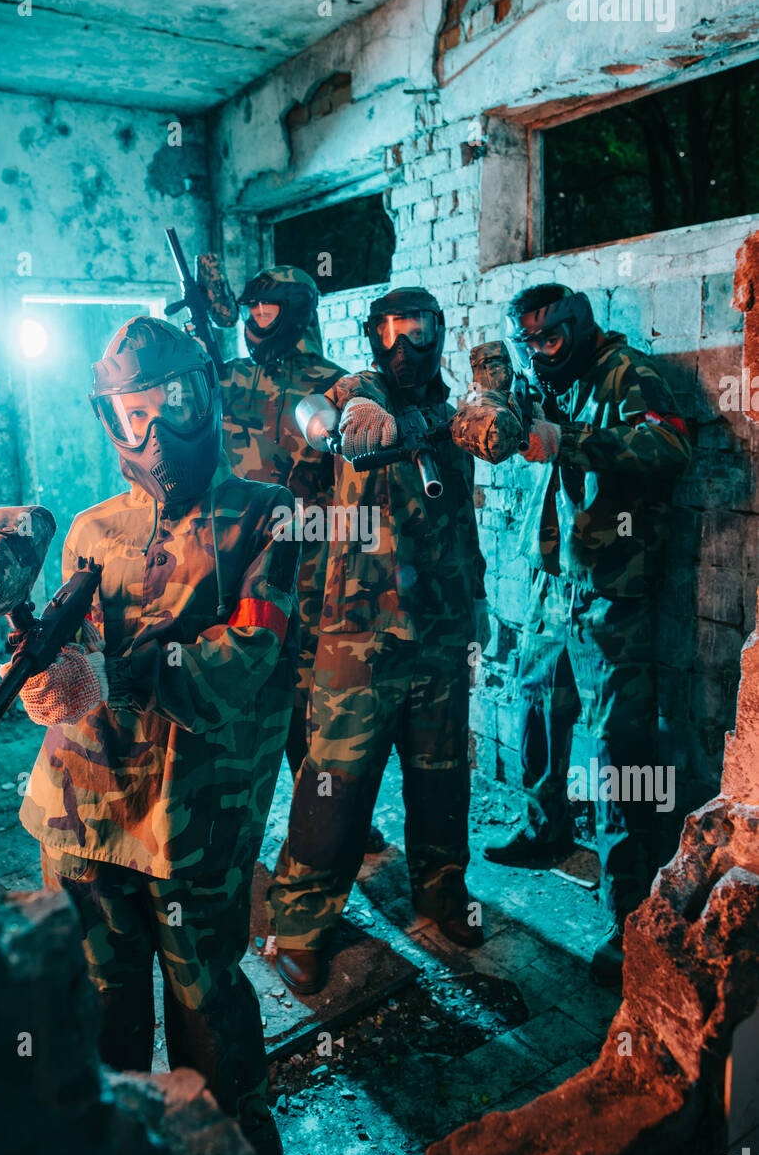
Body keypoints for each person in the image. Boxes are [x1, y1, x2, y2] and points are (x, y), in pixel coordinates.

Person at [11, 316, 300, 1155]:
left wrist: (120, 672)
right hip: (78, 812)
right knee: (100, 1011)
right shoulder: (93, 529)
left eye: (169, 405)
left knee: (206, 1001)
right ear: (108, 421)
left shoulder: (266, 513)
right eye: (129, 415)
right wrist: (49, 676)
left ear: (203, 396)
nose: (151, 433)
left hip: (194, 819)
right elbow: (75, 660)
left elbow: (247, 657)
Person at [451, 284, 692, 985]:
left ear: (578, 328)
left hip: (613, 584)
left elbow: (669, 444)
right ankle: (542, 825)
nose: (539, 353)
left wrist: (571, 441)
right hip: (553, 577)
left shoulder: (627, 372)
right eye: (529, 343)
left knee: (621, 748)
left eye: (550, 340)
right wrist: (490, 409)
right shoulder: (540, 376)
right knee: (533, 701)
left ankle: (629, 917)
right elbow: (507, 420)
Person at [267, 287, 489, 994]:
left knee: (440, 777)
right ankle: (297, 930)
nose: (404, 346)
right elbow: (320, 418)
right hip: (357, 637)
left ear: (438, 332)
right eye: (390, 332)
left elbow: (461, 524)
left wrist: (477, 608)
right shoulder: (355, 393)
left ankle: (441, 893)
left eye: (418, 330)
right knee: (334, 789)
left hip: (442, 632)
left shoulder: (456, 420)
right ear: (370, 337)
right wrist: (353, 413)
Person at [221, 266, 386, 852]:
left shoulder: (333, 384)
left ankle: (330, 820)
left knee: (316, 701)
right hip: (237, 563)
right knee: (239, 685)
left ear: (293, 312)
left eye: (267, 311)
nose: (256, 322)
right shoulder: (226, 378)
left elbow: (359, 483)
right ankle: (232, 822)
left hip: (314, 566)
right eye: (250, 311)